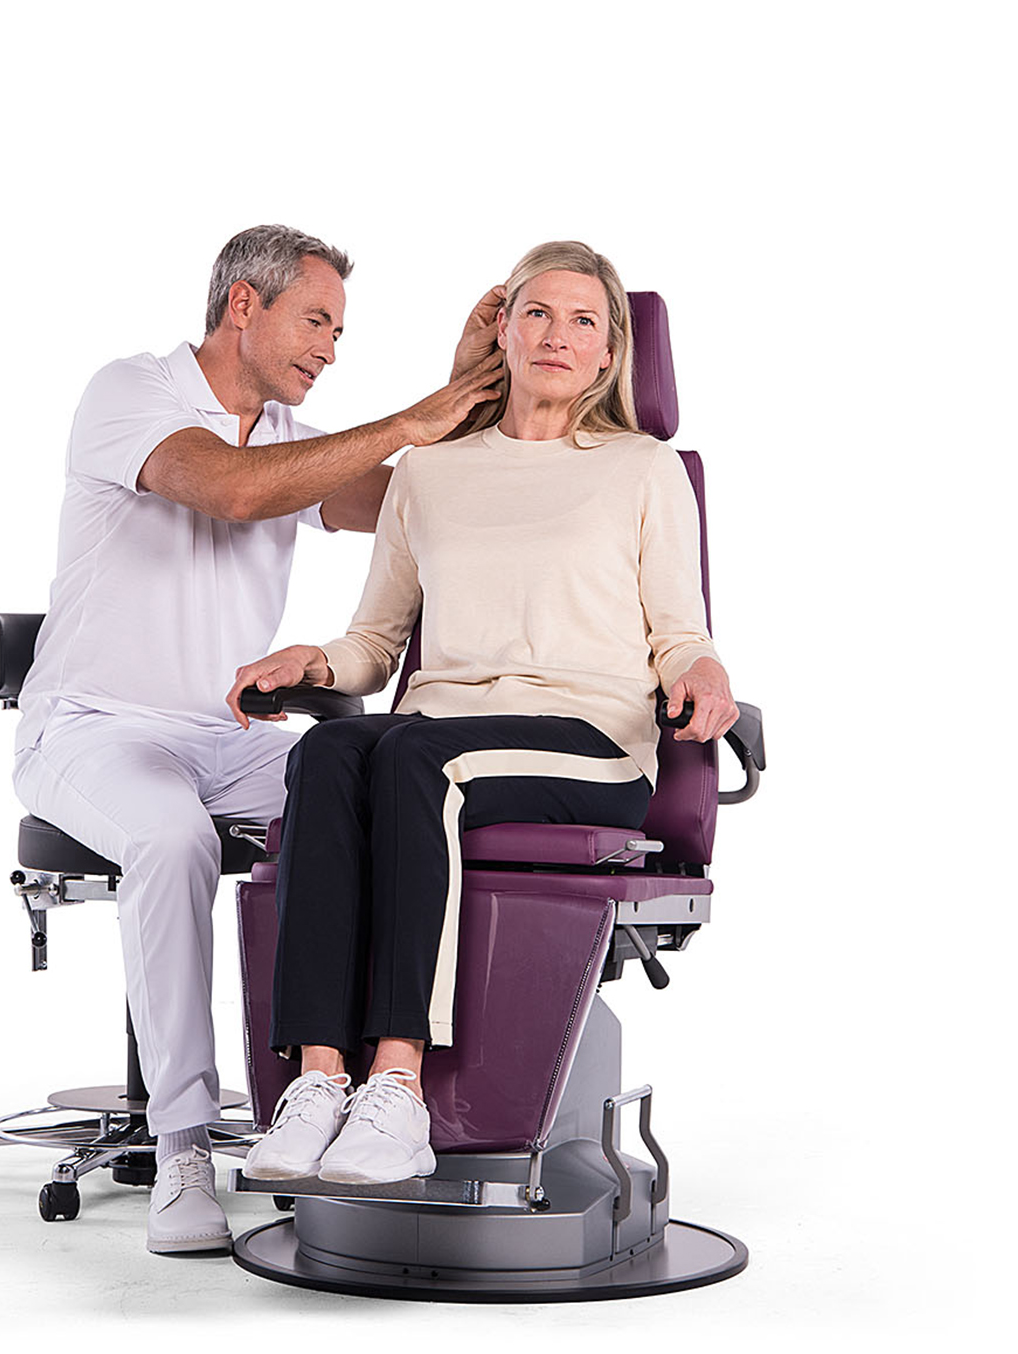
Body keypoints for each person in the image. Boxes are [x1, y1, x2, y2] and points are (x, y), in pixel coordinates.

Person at [12, 224, 502, 1251]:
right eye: (316, 321)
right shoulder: (130, 393)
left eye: (339, 331)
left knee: (383, 793)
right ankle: (183, 1145)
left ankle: (357, 1092)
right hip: (92, 729)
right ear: (244, 304)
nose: (331, 348)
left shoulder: (288, 437)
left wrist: (472, 396)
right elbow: (236, 490)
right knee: (171, 838)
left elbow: (410, 503)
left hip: (227, 735)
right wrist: (409, 417)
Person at [226, 240, 740, 1187]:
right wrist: (317, 661)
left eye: (583, 320)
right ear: (501, 331)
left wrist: (704, 671)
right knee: (329, 755)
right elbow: (376, 641)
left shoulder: (643, 469)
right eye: (536, 312)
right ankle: (318, 1080)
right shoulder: (430, 471)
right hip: (444, 729)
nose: (557, 335)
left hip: (589, 739)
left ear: (610, 352)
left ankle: (398, 1087)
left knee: (418, 761)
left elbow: (679, 632)